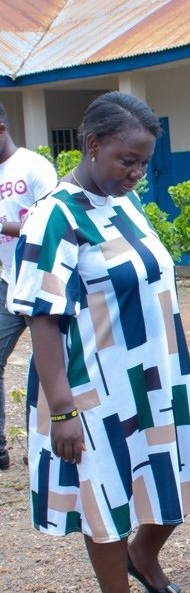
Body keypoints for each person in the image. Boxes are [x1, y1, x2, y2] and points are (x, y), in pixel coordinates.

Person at [9, 91, 190, 593]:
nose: (137, 173)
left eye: (145, 162)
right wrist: (62, 409)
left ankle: (144, 555)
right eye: (127, 160)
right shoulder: (54, 217)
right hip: (91, 385)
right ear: (92, 144)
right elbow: (42, 318)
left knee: (176, 473)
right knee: (103, 497)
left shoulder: (122, 204)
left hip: (154, 375)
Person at [0, 104, 57, 470]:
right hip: (7, 282)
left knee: (50, 365)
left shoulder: (33, 167)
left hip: (41, 283)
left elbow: (53, 221)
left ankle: (49, 445)